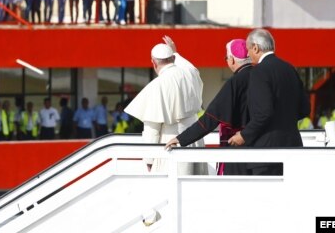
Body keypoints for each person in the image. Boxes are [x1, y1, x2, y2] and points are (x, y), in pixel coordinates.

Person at [228, 29, 310, 176]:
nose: (247, 54)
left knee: (266, 198)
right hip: (293, 148)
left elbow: (263, 113)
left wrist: (244, 135)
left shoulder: (259, 72)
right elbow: (305, 109)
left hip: (266, 152)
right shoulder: (290, 69)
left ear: (255, 48)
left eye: (248, 49)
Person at [165, 39, 252, 175]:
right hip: (264, 148)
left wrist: (181, 139)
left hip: (237, 150)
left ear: (232, 60)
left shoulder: (235, 82)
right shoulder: (262, 76)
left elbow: (210, 119)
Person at [125, 36, 206, 174]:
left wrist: (149, 160)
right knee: (194, 187)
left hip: (172, 142)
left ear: (154, 63)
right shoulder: (190, 73)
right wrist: (175, 52)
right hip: (196, 139)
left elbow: (152, 129)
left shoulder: (156, 85)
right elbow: (189, 66)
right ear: (173, 59)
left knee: (171, 191)